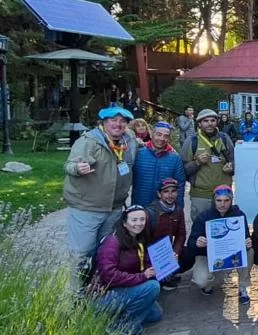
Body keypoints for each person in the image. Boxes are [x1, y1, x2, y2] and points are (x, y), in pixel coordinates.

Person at [64, 106, 137, 294]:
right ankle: (75, 295)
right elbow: (70, 164)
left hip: (114, 208)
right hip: (87, 207)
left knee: (104, 252)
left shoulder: (128, 141)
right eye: (113, 120)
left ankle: (96, 288)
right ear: (103, 123)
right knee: (82, 252)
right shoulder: (89, 142)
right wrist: (78, 169)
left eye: (122, 121)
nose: (118, 124)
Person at [92, 205, 163, 335]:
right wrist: (143, 276)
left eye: (142, 219)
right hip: (104, 295)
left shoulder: (139, 239)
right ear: (124, 223)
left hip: (126, 289)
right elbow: (108, 276)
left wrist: (162, 265)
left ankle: (114, 316)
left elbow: (145, 265)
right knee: (152, 287)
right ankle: (123, 326)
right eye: (134, 220)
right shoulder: (112, 242)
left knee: (156, 314)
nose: (139, 223)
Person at [185, 185, 253, 303]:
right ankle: (210, 283)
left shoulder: (239, 215)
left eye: (226, 200)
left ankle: (242, 286)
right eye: (219, 200)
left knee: (250, 252)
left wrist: (248, 241)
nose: (222, 204)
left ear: (231, 200)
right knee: (202, 280)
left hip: (232, 255)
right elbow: (190, 242)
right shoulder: (204, 217)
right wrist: (197, 242)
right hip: (207, 255)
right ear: (214, 201)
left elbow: (246, 236)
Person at [181, 109, 235, 220]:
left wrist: (232, 167)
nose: (210, 124)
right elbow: (182, 170)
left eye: (213, 120)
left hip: (223, 193)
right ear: (199, 124)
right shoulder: (191, 141)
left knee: (223, 229)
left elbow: (236, 162)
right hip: (201, 195)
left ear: (217, 122)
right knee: (200, 229)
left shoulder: (225, 138)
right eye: (205, 121)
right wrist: (197, 163)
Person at [132, 121, 186, 209]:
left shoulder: (175, 158)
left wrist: (179, 208)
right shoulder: (138, 153)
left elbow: (180, 184)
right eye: (159, 134)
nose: (161, 138)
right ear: (152, 134)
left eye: (166, 136)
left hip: (164, 208)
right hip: (140, 206)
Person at [145, 178, 186, 290]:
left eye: (173, 191)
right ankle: (161, 277)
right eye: (166, 192)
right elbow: (144, 241)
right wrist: (157, 262)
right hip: (151, 254)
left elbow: (181, 235)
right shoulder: (150, 213)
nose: (170, 195)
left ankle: (170, 274)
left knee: (189, 254)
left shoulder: (178, 210)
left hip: (167, 251)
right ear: (159, 194)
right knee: (154, 284)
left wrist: (175, 253)